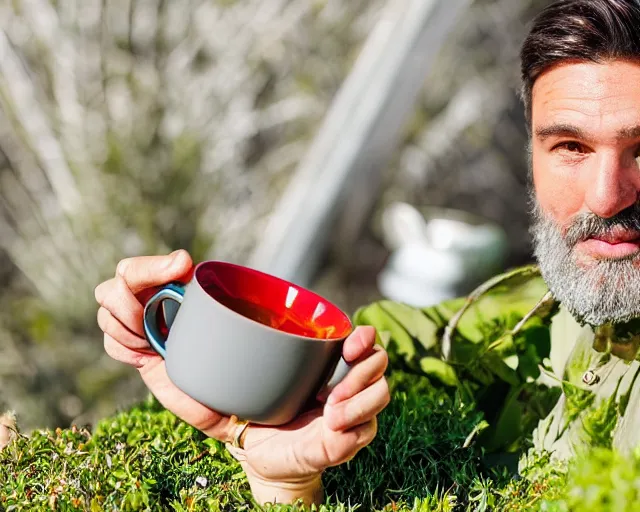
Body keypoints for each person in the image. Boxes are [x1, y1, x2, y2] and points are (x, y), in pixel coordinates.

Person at [95, 0, 640, 505]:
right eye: (571, 147)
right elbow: (393, 348)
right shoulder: (509, 325)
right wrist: (274, 443)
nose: (606, 195)